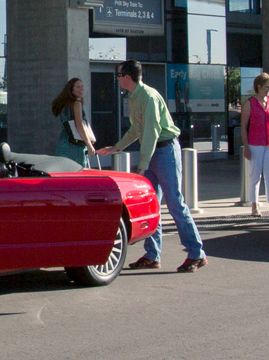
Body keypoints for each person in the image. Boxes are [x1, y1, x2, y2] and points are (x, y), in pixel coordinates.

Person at [95, 60, 206, 272]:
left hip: (165, 151)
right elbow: (136, 130)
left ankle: (196, 253)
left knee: (175, 203)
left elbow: (151, 133)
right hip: (155, 151)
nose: (117, 79)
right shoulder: (134, 96)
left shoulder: (148, 96)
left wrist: (142, 166)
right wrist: (115, 147)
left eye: (118, 76)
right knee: (151, 205)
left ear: (127, 77)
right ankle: (152, 255)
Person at [242, 72, 269, 217]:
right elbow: (244, 126)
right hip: (255, 143)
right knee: (255, 176)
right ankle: (254, 207)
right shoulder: (250, 103)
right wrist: (246, 146)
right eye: (266, 87)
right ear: (259, 86)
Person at [51, 78, 94, 167]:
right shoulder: (76, 103)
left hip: (63, 142)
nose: (82, 88)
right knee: (78, 173)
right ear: (71, 91)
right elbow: (79, 125)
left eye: (82, 86)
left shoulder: (64, 104)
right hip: (75, 143)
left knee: (63, 173)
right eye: (78, 87)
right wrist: (89, 144)